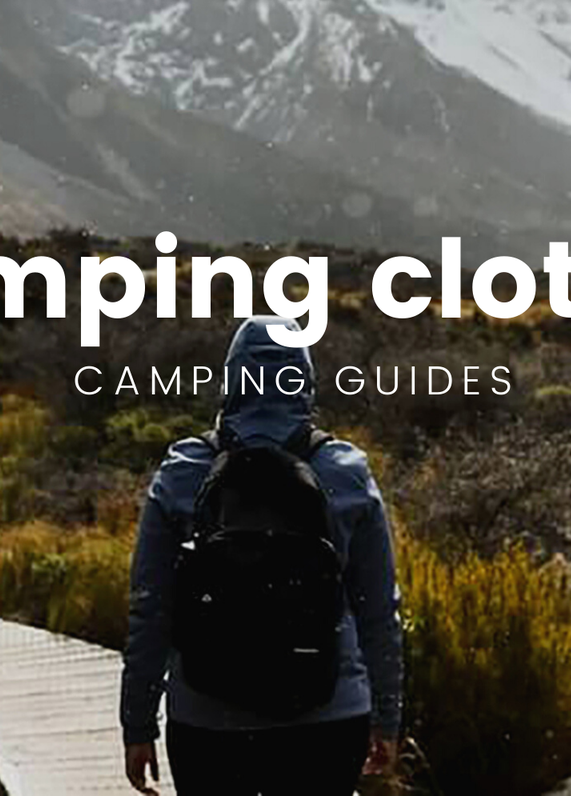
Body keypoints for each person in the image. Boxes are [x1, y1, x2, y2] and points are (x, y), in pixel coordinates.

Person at [120, 316, 403, 795]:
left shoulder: (184, 471)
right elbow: (379, 610)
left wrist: (138, 723)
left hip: (207, 721)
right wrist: (387, 716)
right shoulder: (347, 473)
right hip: (328, 714)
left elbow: (151, 608)